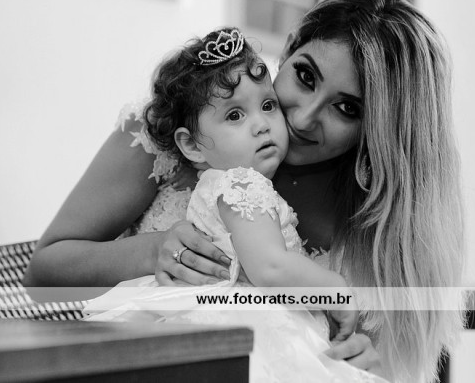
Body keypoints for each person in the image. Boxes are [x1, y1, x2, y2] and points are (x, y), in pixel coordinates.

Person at [24, 0, 465, 383]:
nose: (304, 117)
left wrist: (369, 363)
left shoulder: (378, 216)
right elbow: (42, 275)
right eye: (305, 76)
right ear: (287, 50)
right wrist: (153, 252)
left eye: (347, 108)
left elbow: (392, 359)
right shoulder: (168, 130)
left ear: (380, 132)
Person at [82, 27, 386, 383]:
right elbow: (270, 267)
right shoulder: (242, 183)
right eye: (235, 116)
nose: (261, 126)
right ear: (191, 145)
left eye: (267, 106)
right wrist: (334, 289)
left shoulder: (231, 182)